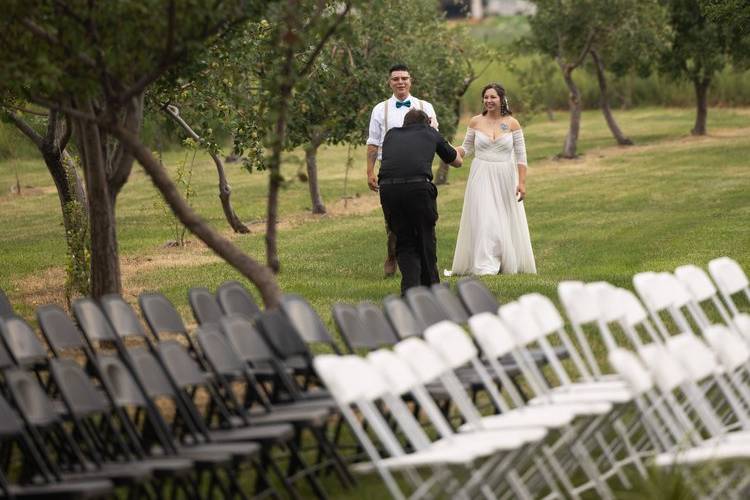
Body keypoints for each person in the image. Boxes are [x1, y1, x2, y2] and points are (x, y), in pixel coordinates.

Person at [446, 83, 536, 276]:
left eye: (493, 97)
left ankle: (504, 260)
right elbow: (467, 148)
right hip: (481, 174)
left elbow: (521, 156)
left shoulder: (512, 123)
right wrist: (450, 151)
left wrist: (521, 182)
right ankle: (486, 265)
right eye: (486, 97)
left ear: (502, 99)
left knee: (503, 218)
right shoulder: (475, 122)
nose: (489, 101)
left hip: (505, 175)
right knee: (486, 219)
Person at [366, 64, 439, 277]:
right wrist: (370, 171)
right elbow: (373, 142)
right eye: (396, 79)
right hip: (390, 170)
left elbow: (434, 136)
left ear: (410, 80)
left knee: (423, 220)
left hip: (418, 171)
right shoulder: (380, 109)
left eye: (404, 78)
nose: (400, 82)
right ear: (390, 82)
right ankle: (393, 255)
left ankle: (422, 265)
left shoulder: (425, 106)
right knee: (394, 222)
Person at [379, 108, 462, 295]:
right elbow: (457, 161)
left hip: (389, 191)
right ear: (427, 122)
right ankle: (432, 289)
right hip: (417, 189)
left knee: (404, 241)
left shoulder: (391, 134)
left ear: (404, 123)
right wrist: (433, 129)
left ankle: (410, 292)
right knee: (425, 237)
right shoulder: (430, 131)